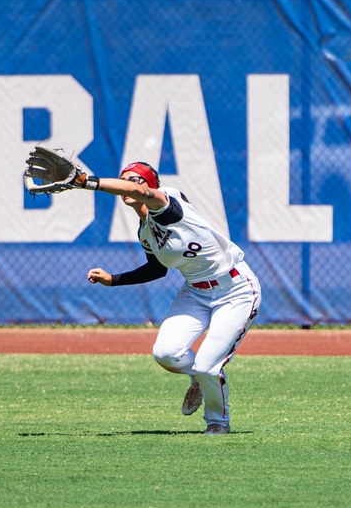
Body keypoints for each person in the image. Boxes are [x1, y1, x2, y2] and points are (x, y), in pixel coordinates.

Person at [84, 161, 261, 435]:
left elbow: (137, 191)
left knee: (207, 365)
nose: (129, 183)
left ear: (150, 185)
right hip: (196, 291)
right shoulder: (145, 231)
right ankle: (198, 379)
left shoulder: (169, 204)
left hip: (235, 289)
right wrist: (114, 280)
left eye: (136, 179)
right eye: (125, 179)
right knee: (166, 353)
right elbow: (157, 269)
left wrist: (86, 180)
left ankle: (217, 422)